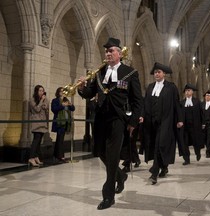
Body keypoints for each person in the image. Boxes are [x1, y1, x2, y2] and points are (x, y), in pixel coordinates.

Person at [77, 37, 143, 210]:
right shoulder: (100, 72)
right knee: (100, 152)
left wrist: (133, 121)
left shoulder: (130, 72)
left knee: (113, 155)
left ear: (119, 54)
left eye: (111, 50)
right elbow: (90, 93)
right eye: (106, 51)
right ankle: (120, 176)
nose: (108, 53)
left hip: (118, 119)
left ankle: (108, 195)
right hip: (100, 118)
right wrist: (82, 88)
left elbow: (137, 101)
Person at [140, 62, 183, 185]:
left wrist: (180, 119)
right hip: (151, 122)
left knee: (161, 144)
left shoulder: (171, 87)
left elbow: (176, 104)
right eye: (155, 72)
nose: (156, 74)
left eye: (159, 72)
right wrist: (142, 116)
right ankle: (164, 167)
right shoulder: (150, 87)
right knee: (154, 145)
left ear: (164, 74)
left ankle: (154, 172)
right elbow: (145, 103)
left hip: (166, 121)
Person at [178, 84, 204, 165]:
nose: (187, 92)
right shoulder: (181, 103)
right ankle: (186, 159)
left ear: (192, 92)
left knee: (196, 142)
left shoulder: (197, 102)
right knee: (184, 143)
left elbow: (201, 113)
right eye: (186, 91)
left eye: (188, 90)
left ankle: (198, 153)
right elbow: (178, 114)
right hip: (184, 127)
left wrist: (203, 123)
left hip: (195, 126)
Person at [51, 87, 75, 163]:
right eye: (61, 91)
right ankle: (61, 156)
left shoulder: (66, 100)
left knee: (60, 139)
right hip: (59, 122)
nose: (62, 92)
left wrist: (70, 105)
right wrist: (62, 106)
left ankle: (56, 155)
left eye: (63, 91)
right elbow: (54, 109)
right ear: (58, 92)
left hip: (66, 122)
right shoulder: (55, 100)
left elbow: (73, 109)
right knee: (60, 139)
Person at [28, 85, 49, 167]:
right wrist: (41, 101)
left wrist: (44, 100)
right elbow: (37, 109)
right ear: (36, 91)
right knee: (35, 141)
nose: (42, 92)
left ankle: (36, 156)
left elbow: (46, 107)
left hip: (43, 123)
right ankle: (31, 157)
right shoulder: (32, 100)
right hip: (36, 123)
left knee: (39, 141)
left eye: (43, 91)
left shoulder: (44, 99)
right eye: (40, 90)